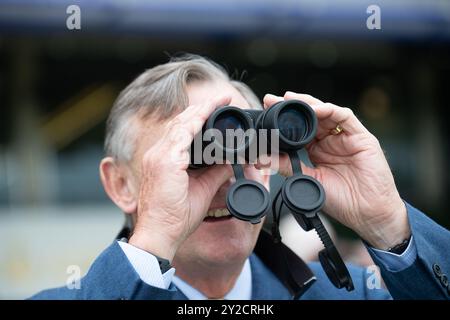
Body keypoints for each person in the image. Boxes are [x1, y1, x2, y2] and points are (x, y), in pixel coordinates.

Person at [31, 55, 450, 300]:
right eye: (191, 155)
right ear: (120, 183)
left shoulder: (356, 293)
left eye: (246, 148)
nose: (225, 178)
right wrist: (154, 240)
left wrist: (388, 225)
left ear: (270, 161)